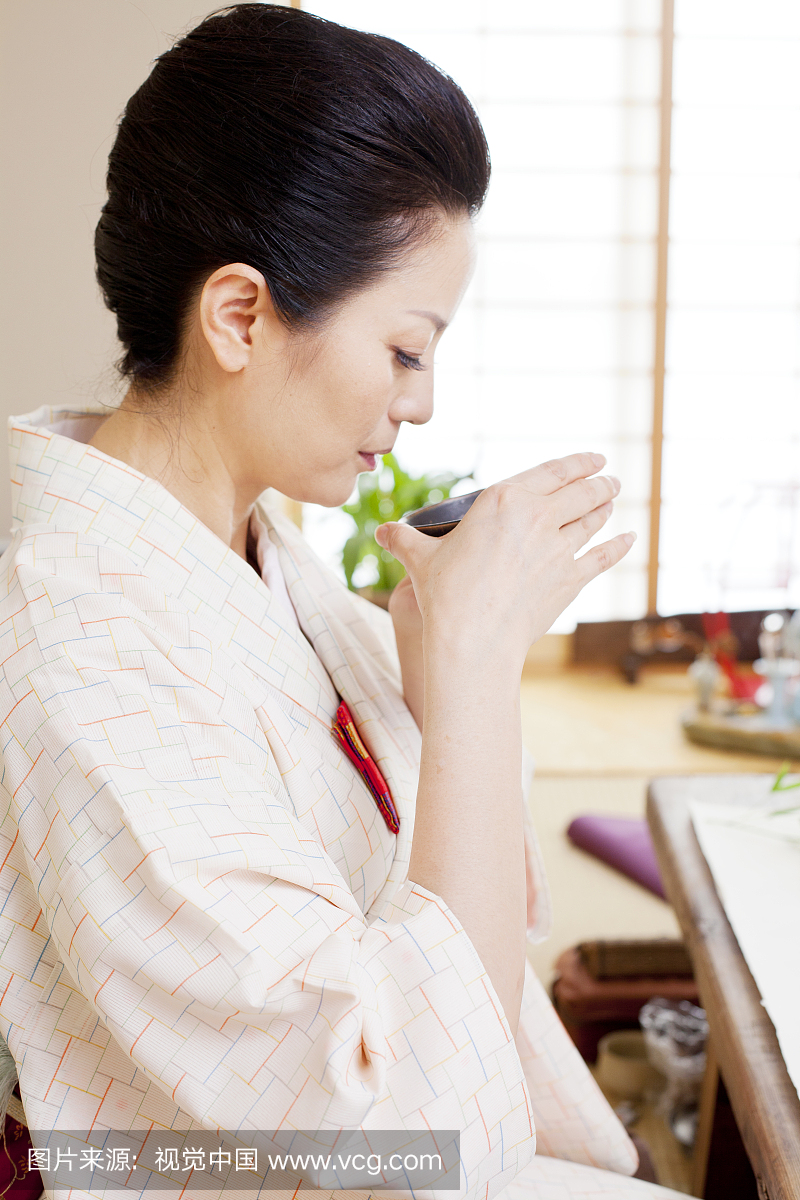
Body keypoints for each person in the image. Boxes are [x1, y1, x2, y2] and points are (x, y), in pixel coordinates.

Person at [0, 6, 684, 1197]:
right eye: (406, 350)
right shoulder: (83, 642)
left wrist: (430, 670)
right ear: (240, 316)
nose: (417, 405)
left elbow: (455, 877)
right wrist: (467, 676)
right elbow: (405, 1123)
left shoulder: (249, 546)